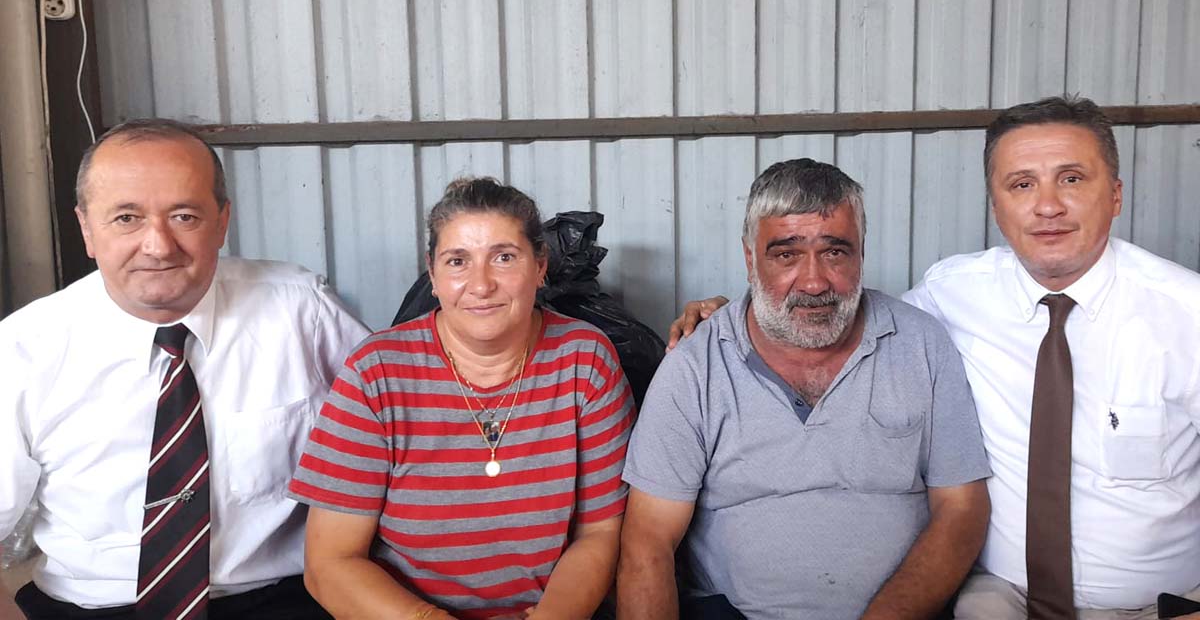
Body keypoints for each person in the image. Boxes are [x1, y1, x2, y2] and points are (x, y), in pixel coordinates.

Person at [669, 97, 1200, 619]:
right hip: (1000, 596)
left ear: (1116, 194)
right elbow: (828, 313)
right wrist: (729, 313)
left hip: (1160, 607)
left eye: (1072, 179)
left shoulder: (1187, 314)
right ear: (995, 205)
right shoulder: (951, 295)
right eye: (1021, 185)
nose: (1047, 206)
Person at [0, 119, 370, 619]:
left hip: (275, 600)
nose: (158, 246)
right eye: (126, 218)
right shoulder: (24, 349)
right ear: (87, 229)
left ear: (222, 221)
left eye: (184, 216)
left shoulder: (301, 312)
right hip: (93, 607)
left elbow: (403, 435)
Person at [619, 159, 991, 620]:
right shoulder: (696, 366)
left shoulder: (921, 344)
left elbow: (962, 510)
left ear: (861, 252)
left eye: (835, 252)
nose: (814, 282)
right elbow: (648, 541)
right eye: (786, 255)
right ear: (750, 259)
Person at [288, 177, 635, 620]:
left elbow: (600, 533)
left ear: (540, 266)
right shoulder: (376, 373)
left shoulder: (585, 360)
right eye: (457, 261)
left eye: (504, 257)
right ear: (432, 275)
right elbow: (330, 563)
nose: (481, 284)